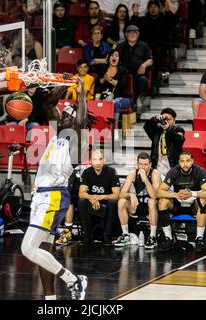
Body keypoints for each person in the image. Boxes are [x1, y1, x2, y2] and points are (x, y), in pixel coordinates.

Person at [21, 78, 89, 300]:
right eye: (65, 114)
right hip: (42, 195)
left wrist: (80, 94)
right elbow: (49, 104)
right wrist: (64, 84)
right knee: (43, 252)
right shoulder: (57, 134)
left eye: (69, 115)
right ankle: (50, 300)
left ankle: (72, 279)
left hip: (53, 197)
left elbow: (81, 119)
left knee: (28, 249)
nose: (64, 116)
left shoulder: (75, 140)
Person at [156, 151, 206, 253]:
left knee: (203, 200)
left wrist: (192, 194)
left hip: (193, 205)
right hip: (178, 203)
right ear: (179, 162)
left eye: (188, 161)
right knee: (162, 201)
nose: (185, 164)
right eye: (182, 161)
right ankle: (169, 238)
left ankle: (199, 239)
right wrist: (175, 195)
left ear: (192, 161)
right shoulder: (174, 171)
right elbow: (159, 192)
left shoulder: (199, 171)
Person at [115, 152, 161, 248]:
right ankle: (126, 235)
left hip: (151, 208)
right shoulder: (133, 173)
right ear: (137, 164)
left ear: (150, 165)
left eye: (145, 164)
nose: (143, 167)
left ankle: (152, 237)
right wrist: (131, 194)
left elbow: (154, 196)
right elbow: (121, 194)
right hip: (137, 205)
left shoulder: (154, 174)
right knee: (121, 201)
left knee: (152, 201)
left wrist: (145, 179)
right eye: (140, 164)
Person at [78, 150, 120, 246]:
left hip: (106, 203)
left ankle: (107, 236)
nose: (97, 162)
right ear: (91, 161)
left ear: (104, 160)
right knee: (81, 202)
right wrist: (92, 198)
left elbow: (117, 194)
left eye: (100, 159)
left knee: (113, 202)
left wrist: (101, 197)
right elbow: (81, 193)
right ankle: (88, 236)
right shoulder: (87, 172)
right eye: (95, 159)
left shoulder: (111, 172)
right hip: (92, 203)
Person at [116, 24, 153, 115]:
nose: (132, 35)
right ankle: (122, 104)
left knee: (143, 80)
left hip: (138, 74)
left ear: (138, 34)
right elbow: (113, 57)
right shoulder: (120, 46)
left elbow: (150, 60)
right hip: (123, 74)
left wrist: (143, 65)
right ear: (126, 35)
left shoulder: (144, 46)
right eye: (130, 33)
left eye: (135, 33)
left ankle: (134, 100)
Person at [143, 108, 185, 177]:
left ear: (174, 121)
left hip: (173, 169)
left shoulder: (178, 130)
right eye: (165, 119)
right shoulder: (157, 131)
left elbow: (179, 139)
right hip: (157, 169)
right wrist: (155, 119)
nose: (166, 121)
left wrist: (168, 128)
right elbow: (147, 127)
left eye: (169, 119)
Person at [94, 49, 130, 127]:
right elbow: (97, 83)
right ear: (108, 58)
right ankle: (99, 126)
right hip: (105, 98)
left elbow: (122, 84)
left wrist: (109, 79)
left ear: (119, 59)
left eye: (116, 56)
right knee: (97, 102)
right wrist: (104, 78)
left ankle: (115, 126)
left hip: (122, 98)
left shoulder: (123, 70)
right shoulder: (103, 68)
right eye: (112, 55)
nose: (114, 57)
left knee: (114, 103)